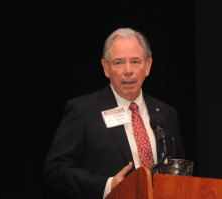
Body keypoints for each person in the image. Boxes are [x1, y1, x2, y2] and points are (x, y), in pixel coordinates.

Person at [43, 28, 184, 199]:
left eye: (135, 61)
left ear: (147, 66)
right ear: (106, 68)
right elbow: (56, 170)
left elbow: (179, 170)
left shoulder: (166, 114)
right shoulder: (83, 111)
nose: (128, 70)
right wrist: (108, 186)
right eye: (118, 63)